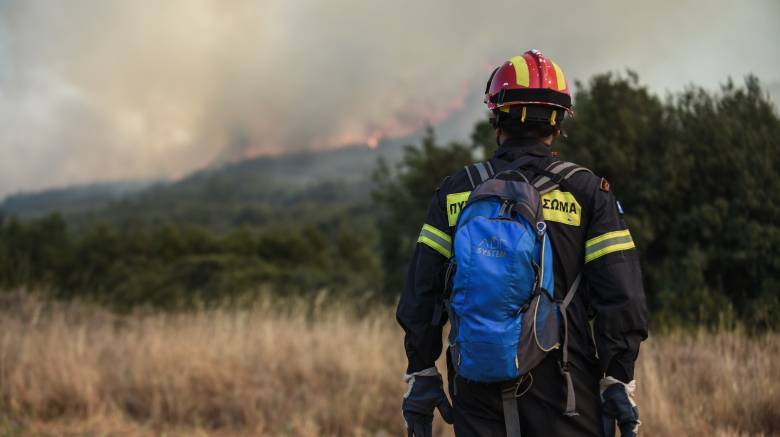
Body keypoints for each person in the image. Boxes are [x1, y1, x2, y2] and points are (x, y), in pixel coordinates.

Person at [399, 49, 648, 437]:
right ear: (558, 122)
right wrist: (618, 377)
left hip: (475, 387)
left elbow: (422, 294)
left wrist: (422, 370)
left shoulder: (456, 191)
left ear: (497, 117)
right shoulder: (587, 193)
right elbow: (622, 296)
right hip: (565, 388)